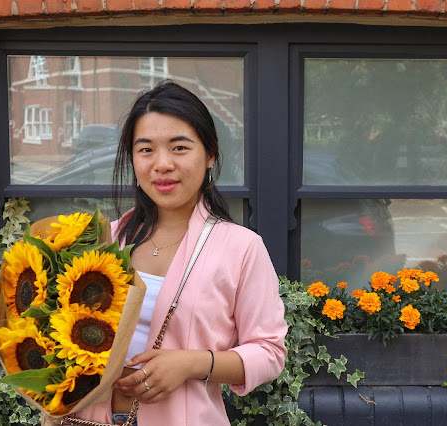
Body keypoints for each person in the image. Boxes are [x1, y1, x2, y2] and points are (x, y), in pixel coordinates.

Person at [72, 80, 288, 425]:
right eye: (146, 150)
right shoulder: (101, 242)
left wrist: (191, 363)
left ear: (210, 156)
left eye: (179, 148)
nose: (162, 164)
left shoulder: (241, 248)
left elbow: (269, 351)